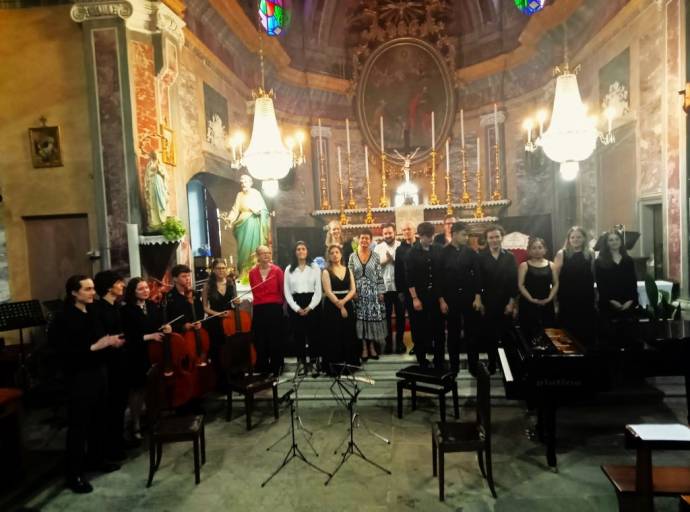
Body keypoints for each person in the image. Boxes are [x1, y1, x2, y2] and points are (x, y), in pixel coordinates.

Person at [51, 275, 124, 493]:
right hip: (79, 377)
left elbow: (100, 338)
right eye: (88, 289)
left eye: (93, 288)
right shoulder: (63, 318)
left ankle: (96, 459)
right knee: (79, 426)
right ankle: (74, 475)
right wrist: (95, 347)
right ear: (74, 292)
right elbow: (63, 352)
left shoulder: (92, 311)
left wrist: (111, 342)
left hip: (98, 372)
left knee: (98, 419)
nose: (93, 293)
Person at [121, 278, 171, 440]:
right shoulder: (127, 310)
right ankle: (135, 423)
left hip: (154, 352)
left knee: (154, 386)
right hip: (137, 353)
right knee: (138, 389)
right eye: (140, 289)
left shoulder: (151, 305)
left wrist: (166, 326)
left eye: (146, 288)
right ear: (132, 292)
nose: (146, 291)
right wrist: (150, 336)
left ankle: (153, 418)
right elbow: (128, 336)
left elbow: (159, 324)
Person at [92, 270, 129, 461]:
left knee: (120, 405)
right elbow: (101, 338)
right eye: (119, 282)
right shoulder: (98, 310)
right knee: (110, 408)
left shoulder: (115, 306)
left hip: (119, 361)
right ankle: (109, 449)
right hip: (108, 365)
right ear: (109, 287)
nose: (122, 286)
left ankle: (118, 441)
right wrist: (114, 341)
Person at [438, 222, 482, 376]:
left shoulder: (471, 252)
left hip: (469, 298)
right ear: (454, 234)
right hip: (451, 299)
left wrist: (478, 297)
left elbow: (477, 276)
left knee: (472, 333)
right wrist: (442, 300)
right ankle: (454, 367)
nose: (466, 237)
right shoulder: (442, 253)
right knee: (453, 334)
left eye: (467, 234)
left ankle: (473, 365)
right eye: (464, 234)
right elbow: (439, 280)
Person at [478, 225, 518, 374]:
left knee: (506, 336)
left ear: (502, 237)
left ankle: (506, 367)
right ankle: (492, 364)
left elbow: (514, 282)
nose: (494, 240)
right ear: (487, 240)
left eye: (496, 237)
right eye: (491, 237)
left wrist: (511, 303)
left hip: (505, 302)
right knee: (490, 335)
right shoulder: (481, 257)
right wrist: (480, 301)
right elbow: (478, 282)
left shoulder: (510, 256)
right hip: (488, 302)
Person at [406, 222, 444, 367]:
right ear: (420, 236)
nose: (430, 239)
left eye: (432, 235)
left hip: (435, 295)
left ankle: (439, 359)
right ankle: (421, 360)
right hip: (419, 296)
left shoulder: (438, 250)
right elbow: (409, 278)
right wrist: (415, 298)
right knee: (419, 329)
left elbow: (440, 275)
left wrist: (441, 299)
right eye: (427, 236)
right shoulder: (411, 253)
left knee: (438, 328)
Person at [220, 174, 270, 281]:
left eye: (245, 182)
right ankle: (244, 273)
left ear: (251, 183)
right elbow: (235, 209)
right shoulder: (239, 195)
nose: (243, 184)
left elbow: (264, 210)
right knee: (243, 251)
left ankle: (255, 273)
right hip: (242, 225)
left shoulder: (256, 193)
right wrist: (229, 218)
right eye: (242, 182)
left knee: (254, 250)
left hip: (254, 223)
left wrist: (258, 211)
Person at [284, 241, 323, 373]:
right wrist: (296, 308)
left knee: (314, 335)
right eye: (298, 249)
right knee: (298, 336)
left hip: (312, 303)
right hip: (296, 304)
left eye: (303, 249)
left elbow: (318, 290)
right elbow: (287, 292)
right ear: (295, 252)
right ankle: (301, 363)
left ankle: (313, 362)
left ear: (307, 251)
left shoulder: (314, 267)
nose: (301, 251)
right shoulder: (289, 269)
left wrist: (310, 307)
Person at [349, 229, 387, 361]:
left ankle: (372, 347)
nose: (364, 240)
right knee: (361, 320)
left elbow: (379, 275)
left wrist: (381, 291)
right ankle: (364, 348)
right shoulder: (352, 256)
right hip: (358, 293)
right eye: (362, 238)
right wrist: (353, 292)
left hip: (373, 293)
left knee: (372, 320)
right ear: (358, 240)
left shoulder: (375, 256)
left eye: (367, 238)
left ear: (370, 240)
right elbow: (351, 276)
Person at [249, 245, 285, 375]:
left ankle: (277, 366)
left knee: (275, 338)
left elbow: (282, 290)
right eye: (263, 253)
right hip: (259, 308)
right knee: (260, 339)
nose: (266, 255)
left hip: (274, 308)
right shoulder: (252, 272)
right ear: (258, 256)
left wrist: (280, 304)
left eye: (268, 253)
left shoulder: (277, 271)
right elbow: (254, 291)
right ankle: (263, 366)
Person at [321, 245, 358, 372]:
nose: (335, 254)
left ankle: (350, 364)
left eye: (337, 252)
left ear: (341, 254)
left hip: (346, 302)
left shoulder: (348, 269)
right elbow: (328, 291)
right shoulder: (326, 271)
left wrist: (344, 302)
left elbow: (353, 289)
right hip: (332, 306)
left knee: (348, 333)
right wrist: (339, 305)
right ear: (329, 256)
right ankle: (335, 366)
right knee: (334, 335)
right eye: (332, 253)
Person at [554, 226, 595, 334]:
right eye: (572, 237)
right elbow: (555, 277)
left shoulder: (590, 253)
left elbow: (592, 274)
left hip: (586, 296)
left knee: (586, 328)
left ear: (584, 238)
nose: (575, 240)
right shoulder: (562, 253)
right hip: (567, 296)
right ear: (568, 239)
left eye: (579, 237)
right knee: (568, 330)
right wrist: (555, 299)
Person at [202, 258, 237, 383]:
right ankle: (221, 380)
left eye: (223, 268)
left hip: (229, 320)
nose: (221, 271)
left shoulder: (231, 282)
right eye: (218, 268)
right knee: (218, 351)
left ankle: (233, 377)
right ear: (213, 270)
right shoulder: (207, 285)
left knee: (230, 348)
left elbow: (234, 303)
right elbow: (205, 307)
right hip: (215, 322)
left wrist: (236, 303)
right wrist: (217, 314)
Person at [595, 229, 638, 321]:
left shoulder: (628, 260)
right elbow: (601, 285)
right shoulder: (599, 261)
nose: (614, 242)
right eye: (611, 240)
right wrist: (612, 302)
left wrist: (630, 301)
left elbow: (633, 282)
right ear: (606, 243)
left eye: (617, 239)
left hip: (628, 303)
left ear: (621, 241)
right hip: (608, 304)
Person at [518, 237, 558, 334]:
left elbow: (556, 283)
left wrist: (549, 299)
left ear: (545, 250)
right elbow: (520, 285)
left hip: (546, 302)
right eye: (534, 248)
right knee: (528, 332)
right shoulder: (524, 265)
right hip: (528, 303)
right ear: (529, 250)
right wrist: (531, 299)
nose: (537, 250)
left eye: (540, 247)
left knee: (548, 332)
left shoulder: (551, 265)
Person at [374, 223, 404, 354]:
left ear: (394, 232)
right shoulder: (378, 248)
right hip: (384, 289)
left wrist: (394, 260)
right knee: (385, 317)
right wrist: (386, 261)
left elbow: (406, 265)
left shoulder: (401, 246)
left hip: (399, 288)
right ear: (382, 234)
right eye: (385, 233)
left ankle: (400, 343)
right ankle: (388, 343)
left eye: (390, 233)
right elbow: (373, 268)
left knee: (401, 317)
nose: (388, 235)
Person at [394, 220, 416, 354]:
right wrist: (400, 291)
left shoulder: (420, 245)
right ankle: (416, 344)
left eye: (409, 229)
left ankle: (425, 343)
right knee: (413, 318)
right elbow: (398, 271)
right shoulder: (400, 249)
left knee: (424, 319)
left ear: (414, 231)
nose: (407, 232)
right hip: (407, 290)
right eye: (404, 230)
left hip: (422, 289)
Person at [165, 264, 205, 334]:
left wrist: (199, 322)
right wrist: (182, 327)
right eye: (184, 276)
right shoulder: (169, 297)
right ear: (175, 279)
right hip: (179, 335)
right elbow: (169, 320)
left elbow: (200, 312)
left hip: (196, 331)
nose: (188, 279)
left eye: (188, 275)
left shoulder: (194, 293)